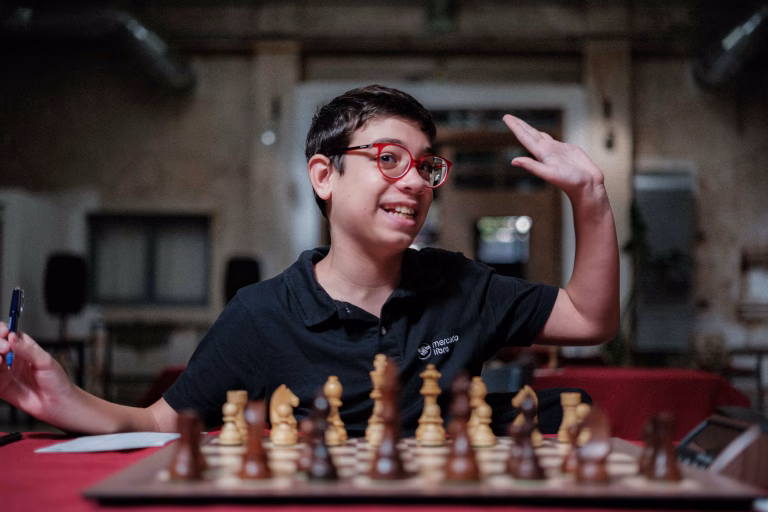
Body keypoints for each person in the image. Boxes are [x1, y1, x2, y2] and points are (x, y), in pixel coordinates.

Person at [0, 85, 618, 436]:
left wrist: (588, 196)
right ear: (324, 176)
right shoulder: (263, 313)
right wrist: (63, 397)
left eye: (427, 166)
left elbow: (589, 320)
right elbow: (161, 420)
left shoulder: (460, 283)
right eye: (389, 159)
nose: (416, 183)